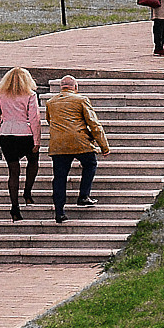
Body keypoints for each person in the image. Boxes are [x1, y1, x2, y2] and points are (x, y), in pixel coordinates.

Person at [44, 75, 109, 224]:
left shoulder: (50, 102)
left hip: (59, 145)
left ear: (61, 87)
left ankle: (59, 212)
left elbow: (49, 120)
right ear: (76, 88)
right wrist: (103, 146)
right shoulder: (81, 100)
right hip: (80, 142)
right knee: (90, 164)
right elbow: (94, 124)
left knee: (59, 178)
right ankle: (83, 196)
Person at [0, 67, 41, 222]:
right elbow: (34, 119)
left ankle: (15, 207)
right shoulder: (30, 95)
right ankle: (27, 192)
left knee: (13, 171)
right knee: (33, 162)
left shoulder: (2, 95)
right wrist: (37, 140)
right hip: (25, 134)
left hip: (6, 134)